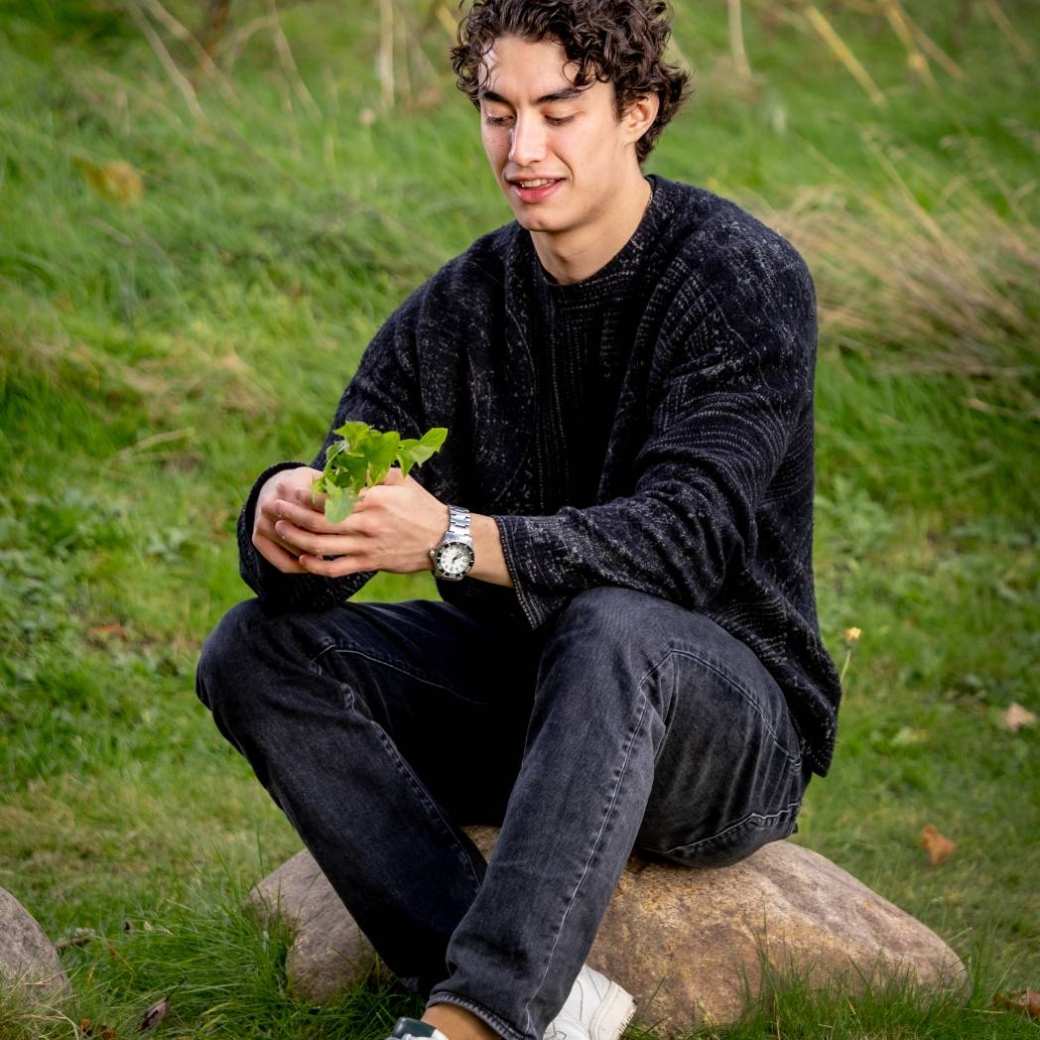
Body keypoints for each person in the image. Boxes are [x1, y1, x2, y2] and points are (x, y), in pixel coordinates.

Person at [194, 2, 844, 1040]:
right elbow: (328, 545)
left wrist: (452, 536)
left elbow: (687, 537)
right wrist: (287, 516)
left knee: (610, 623)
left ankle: (481, 1017)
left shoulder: (736, 276)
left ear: (636, 111)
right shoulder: (458, 309)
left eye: (557, 110)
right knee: (256, 648)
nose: (521, 148)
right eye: (497, 113)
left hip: (720, 721)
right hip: (533, 701)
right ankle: (555, 994)